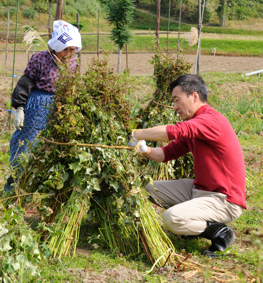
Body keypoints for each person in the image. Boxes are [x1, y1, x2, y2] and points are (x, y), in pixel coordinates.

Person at [128, 74, 246, 258]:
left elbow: (175, 131)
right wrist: (144, 149)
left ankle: (219, 232)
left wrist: (136, 133)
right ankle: (193, 226)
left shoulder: (210, 120)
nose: (175, 106)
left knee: (171, 218)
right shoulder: (196, 126)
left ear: (194, 96)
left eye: (177, 100)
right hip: (200, 190)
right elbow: (166, 154)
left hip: (224, 199)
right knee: (152, 189)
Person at [4, 20, 82, 191]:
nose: (68, 53)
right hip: (37, 106)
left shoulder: (73, 64)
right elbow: (25, 83)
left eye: (72, 49)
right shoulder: (40, 59)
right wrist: (19, 108)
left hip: (61, 109)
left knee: (52, 148)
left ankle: (40, 189)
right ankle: (12, 188)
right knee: (26, 144)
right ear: (56, 45)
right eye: (65, 49)